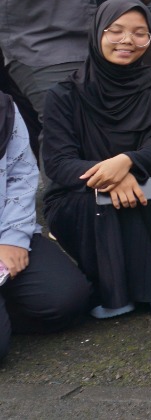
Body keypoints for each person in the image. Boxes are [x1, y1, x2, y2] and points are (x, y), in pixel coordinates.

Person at [41, 0, 151, 319]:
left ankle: (136, 288)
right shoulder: (64, 94)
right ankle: (114, 293)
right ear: (98, 32)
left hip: (147, 187)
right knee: (99, 205)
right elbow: (58, 162)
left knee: (142, 203)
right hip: (79, 194)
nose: (127, 40)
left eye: (140, 33)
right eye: (116, 31)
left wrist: (125, 162)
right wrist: (111, 178)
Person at [0, 88, 92, 362]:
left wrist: (13, 237)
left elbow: (20, 173)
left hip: (5, 231)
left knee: (67, 300)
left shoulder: (3, 106)